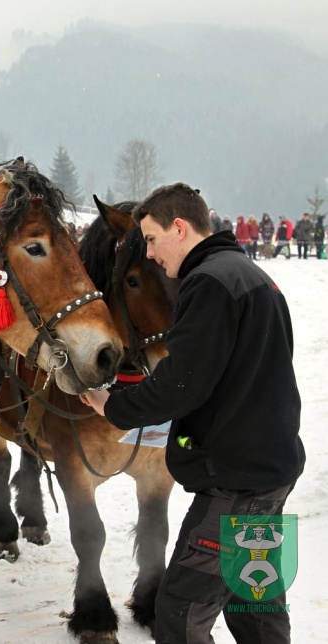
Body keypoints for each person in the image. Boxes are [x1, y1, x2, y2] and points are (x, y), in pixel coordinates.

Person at [81, 183, 304, 644]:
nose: (150, 253)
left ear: (179, 227)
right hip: (269, 472)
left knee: (180, 613)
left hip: (236, 483)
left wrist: (114, 406)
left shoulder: (208, 283)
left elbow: (182, 383)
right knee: (253, 604)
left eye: (152, 239)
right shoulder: (251, 274)